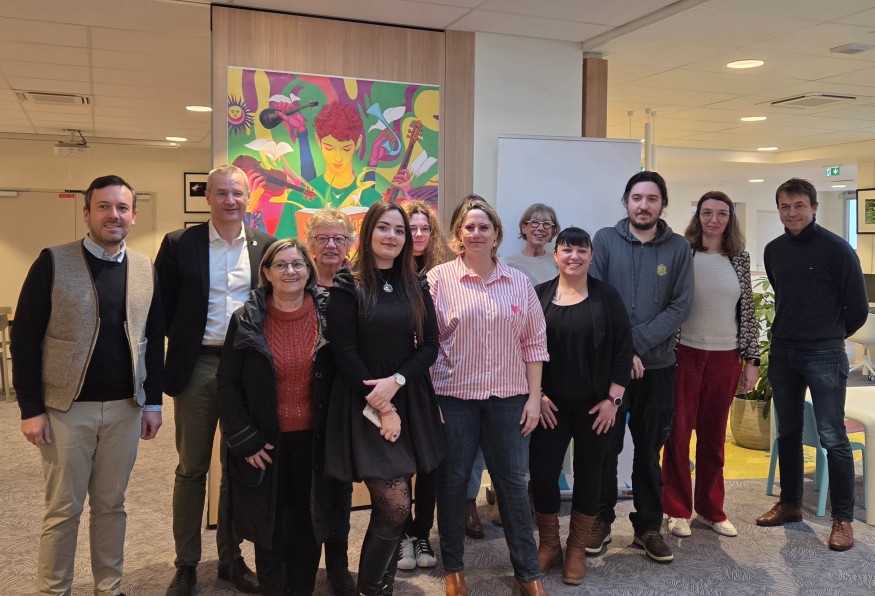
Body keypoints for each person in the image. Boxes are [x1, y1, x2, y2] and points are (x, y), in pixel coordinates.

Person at [11, 175, 164, 596]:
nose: (113, 215)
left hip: (125, 408)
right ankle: (53, 590)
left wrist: (153, 402)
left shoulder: (145, 269)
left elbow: (153, 339)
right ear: (87, 213)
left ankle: (109, 588)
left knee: (112, 505)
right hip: (65, 409)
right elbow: (25, 338)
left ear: (133, 216)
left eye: (122, 208)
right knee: (63, 509)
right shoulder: (52, 262)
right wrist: (31, 408)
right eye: (104, 206)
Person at [156, 164, 276, 596]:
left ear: (249, 198)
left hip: (246, 370)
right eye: (221, 192)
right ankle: (186, 564)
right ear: (207, 197)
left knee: (237, 467)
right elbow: (160, 309)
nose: (230, 200)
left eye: (237, 193)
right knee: (192, 469)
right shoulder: (179, 244)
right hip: (198, 367)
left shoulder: (265, 245)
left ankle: (230, 558)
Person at [428, 197, 550, 596]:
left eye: (484, 227)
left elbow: (534, 343)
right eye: (469, 227)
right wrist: (430, 401)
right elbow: (425, 343)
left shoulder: (518, 282)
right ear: (458, 234)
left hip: (509, 399)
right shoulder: (438, 280)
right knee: (453, 483)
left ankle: (527, 573)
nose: (477, 233)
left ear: (497, 234)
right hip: (454, 398)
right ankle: (454, 570)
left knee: (513, 485)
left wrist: (534, 398)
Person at [323, 201, 446, 595]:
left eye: (399, 230)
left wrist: (397, 381)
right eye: (384, 227)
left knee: (395, 505)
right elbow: (344, 353)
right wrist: (384, 404)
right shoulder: (348, 284)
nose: (391, 236)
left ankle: (380, 588)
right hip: (363, 400)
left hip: (408, 395)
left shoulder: (416, 284)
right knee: (394, 506)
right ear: (369, 232)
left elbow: (430, 345)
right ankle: (372, 589)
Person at [755, 178, 868, 551]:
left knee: (833, 436)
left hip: (824, 352)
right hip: (783, 351)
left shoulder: (837, 249)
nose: (792, 213)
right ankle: (790, 504)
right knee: (787, 432)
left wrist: (828, 335)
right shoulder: (774, 250)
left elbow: (857, 308)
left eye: (799, 205)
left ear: (814, 207)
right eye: (785, 207)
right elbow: (784, 294)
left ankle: (842, 519)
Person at [217, 239, 331, 595]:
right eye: (280, 265)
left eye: (297, 264)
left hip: (315, 441)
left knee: (309, 524)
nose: (290, 271)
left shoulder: (329, 315)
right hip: (266, 441)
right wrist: (245, 439)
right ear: (266, 272)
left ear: (309, 270)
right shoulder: (246, 319)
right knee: (270, 526)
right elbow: (227, 382)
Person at [590, 171, 693, 564]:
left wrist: (636, 344)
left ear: (662, 204)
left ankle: (648, 527)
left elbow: (680, 306)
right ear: (626, 202)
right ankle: (600, 521)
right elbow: (595, 298)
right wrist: (623, 352)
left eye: (652, 199)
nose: (643, 205)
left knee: (649, 452)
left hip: (659, 367)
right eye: (637, 198)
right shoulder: (605, 240)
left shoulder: (678, 248)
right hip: (610, 371)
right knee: (605, 448)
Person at [530, 226, 633, 585]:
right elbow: (524, 347)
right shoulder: (539, 296)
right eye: (567, 250)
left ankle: (575, 549)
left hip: (596, 407)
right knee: (542, 474)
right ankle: (548, 545)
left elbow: (623, 349)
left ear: (591, 256)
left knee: (590, 475)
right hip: (550, 407)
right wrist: (537, 395)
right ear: (555, 255)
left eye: (581, 250)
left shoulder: (607, 296)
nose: (574, 256)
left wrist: (613, 401)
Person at [662, 191, 760, 539]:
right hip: (685, 354)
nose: (713, 219)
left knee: (714, 436)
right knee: (677, 435)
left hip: (726, 357)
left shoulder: (740, 259)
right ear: (697, 216)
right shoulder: (683, 254)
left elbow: (747, 312)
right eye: (706, 212)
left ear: (730, 218)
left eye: (721, 213)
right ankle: (676, 510)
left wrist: (752, 360)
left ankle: (711, 509)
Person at [394, 200, 452, 572]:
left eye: (424, 228)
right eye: (410, 228)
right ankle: (401, 535)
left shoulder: (442, 274)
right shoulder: (386, 271)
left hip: (436, 379)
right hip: (396, 380)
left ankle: (421, 534)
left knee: (431, 463)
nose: (417, 234)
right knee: (398, 461)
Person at [304, 207, 358, 594]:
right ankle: (305, 561)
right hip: (303, 399)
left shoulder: (358, 287)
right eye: (322, 238)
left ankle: (338, 563)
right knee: (305, 485)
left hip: (344, 400)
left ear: (351, 244)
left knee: (339, 484)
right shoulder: (296, 283)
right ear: (309, 244)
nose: (331, 245)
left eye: (339, 238)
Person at [504, 203, 560, 285]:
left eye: (547, 223)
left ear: (552, 230)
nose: (541, 228)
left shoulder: (558, 263)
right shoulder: (507, 264)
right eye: (535, 222)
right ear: (524, 227)